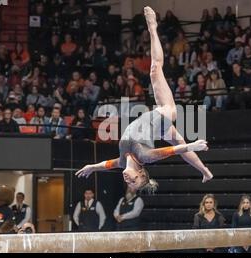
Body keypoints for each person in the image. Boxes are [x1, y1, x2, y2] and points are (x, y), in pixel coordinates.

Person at [76, 7, 213, 192]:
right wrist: (193, 144)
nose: (127, 180)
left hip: (158, 127)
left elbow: (107, 164)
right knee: (155, 69)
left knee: (179, 142)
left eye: (128, 184)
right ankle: (153, 28)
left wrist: (92, 167)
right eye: (133, 181)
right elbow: (171, 151)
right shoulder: (146, 157)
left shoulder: (124, 160)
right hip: (165, 113)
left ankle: (205, 171)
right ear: (141, 174)